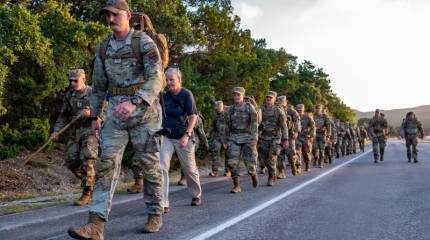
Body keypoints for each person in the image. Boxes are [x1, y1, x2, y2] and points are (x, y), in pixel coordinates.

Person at [68, 1, 165, 238]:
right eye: (107, 16)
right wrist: (96, 117)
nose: (111, 19)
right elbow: (99, 87)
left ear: (128, 15)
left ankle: (155, 213)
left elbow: (157, 79)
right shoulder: (103, 48)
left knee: (150, 166)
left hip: (145, 114)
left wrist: (135, 101)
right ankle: (96, 225)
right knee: (106, 166)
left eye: (115, 14)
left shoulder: (143, 42)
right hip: (115, 115)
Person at [51, 69, 99, 206]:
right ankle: (91, 181)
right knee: (71, 161)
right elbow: (63, 116)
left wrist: (91, 114)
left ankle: (87, 192)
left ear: (83, 79)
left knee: (87, 159)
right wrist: (56, 131)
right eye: (70, 80)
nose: (72, 83)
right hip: (74, 131)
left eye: (75, 80)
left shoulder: (93, 93)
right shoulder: (69, 96)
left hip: (89, 130)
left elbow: (105, 111)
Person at [160, 67, 202, 212]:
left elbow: (193, 117)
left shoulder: (186, 94)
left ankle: (196, 194)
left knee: (189, 169)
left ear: (179, 80)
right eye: (166, 80)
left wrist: (187, 135)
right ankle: (163, 203)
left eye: (172, 79)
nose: (169, 82)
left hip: (184, 136)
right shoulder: (163, 96)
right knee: (162, 168)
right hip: (167, 137)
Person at [224, 87, 259, 193]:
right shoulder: (230, 109)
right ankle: (237, 186)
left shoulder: (249, 107)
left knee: (250, 164)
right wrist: (225, 140)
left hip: (247, 137)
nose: (236, 97)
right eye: (234, 95)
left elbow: (254, 123)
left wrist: (254, 138)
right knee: (232, 163)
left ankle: (253, 174)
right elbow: (226, 126)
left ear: (243, 96)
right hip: (234, 137)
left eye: (238, 95)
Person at [258, 91, 288, 186]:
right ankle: (272, 172)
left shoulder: (278, 111)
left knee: (271, 158)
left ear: (274, 99)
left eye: (270, 98)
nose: (268, 99)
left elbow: (284, 126)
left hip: (275, 138)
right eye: (267, 97)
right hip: (263, 137)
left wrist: (285, 139)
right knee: (264, 159)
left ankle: (271, 177)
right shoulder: (260, 110)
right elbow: (256, 124)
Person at [276, 96, 301, 178]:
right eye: (279, 101)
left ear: (285, 102)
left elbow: (297, 120)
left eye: (282, 101)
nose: (280, 102)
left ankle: (295, 165)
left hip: (290, 135)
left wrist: (296, 132)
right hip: (279, 135)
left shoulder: (291, 110)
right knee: (280, 154)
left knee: (291, 153)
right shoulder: (276, 109)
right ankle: (281, 172)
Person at [208, 101, 230, 177]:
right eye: (217, 107)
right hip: (217, 137)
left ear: (222, 107)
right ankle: (215, 171)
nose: (218, 108)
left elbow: (231, 125)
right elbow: (212, 125)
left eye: (220, 107)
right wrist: (209, 133)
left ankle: (228, 170)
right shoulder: (214, 115)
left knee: (228, 154)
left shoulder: (227, 114)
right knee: (215, 151)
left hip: (227, 137)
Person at [296, 104, 315, 172]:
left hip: (305, 137)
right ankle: (298, 167)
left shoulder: (308, 116)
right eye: (298, 110)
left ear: (303, 110)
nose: (299, 111)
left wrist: (312, 136)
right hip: (297, 137)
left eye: (301, 110)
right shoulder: (295, 116)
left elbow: (313, 127)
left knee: (306, 153)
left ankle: (307, 165)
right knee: (297, 152)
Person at [313, 104, 331, 168]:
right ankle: (316, 158)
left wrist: (328, 136)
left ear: (321, 109)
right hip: (314, 134)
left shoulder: (325, 116)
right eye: (317, 108)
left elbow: (328, 126)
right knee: (314, 149)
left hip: (322, 134)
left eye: (319, 108)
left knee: (321, 150)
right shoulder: (313, 116)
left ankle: (320, 163)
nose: (318, 110)